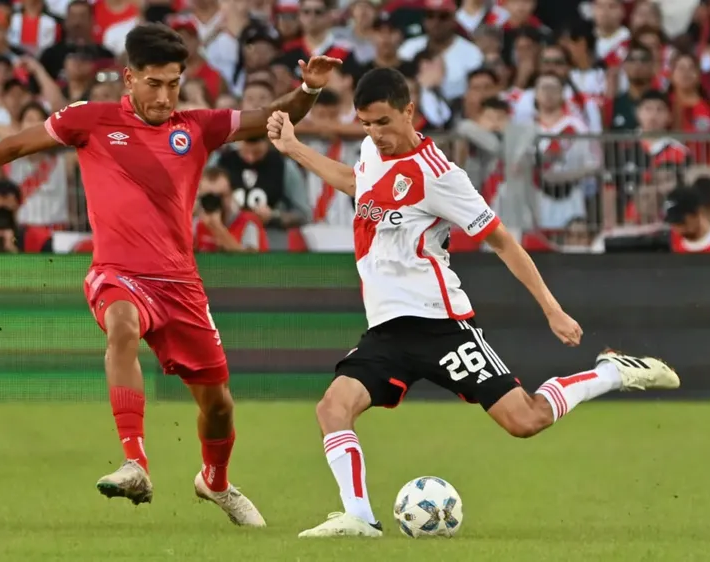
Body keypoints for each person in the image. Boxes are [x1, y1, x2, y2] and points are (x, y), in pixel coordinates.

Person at [0, 22, 342, 526]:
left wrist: (310, 88)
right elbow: (12, 147)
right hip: (118, 273)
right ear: (129, 78)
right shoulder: (90, 120)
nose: (165, 95)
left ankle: (215, 482)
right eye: (154, 83)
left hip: (181, 287)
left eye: (173, 83)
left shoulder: (199, 126)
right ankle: (135, 462)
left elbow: (274, 116)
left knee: (219, 407)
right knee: (121, 328)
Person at [266, 67, 681, 538]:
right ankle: (360, 517)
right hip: (387, 330)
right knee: (332, 409)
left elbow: (503, 242)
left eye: (382, 122)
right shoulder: (370, 151)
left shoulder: (441, 176)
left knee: (525, 420)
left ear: (408, 111)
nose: (374, 134)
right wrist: (295, 147)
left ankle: (610, 371)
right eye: (365, 124)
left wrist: (552, 308)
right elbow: (359, 185)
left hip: (443, 326)